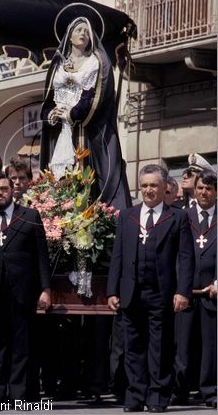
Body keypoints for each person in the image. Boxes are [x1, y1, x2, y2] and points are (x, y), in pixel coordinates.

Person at [106, 164, 194, 413]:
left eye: (153, 185)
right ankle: (135, 396)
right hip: (132, 292)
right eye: (144, 185)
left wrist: (183, 292)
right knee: (133, 347)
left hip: (162, 293)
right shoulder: (127, 216)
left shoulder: (177, 217)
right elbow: (118, 257)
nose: (148, 190)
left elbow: (186, 257)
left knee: (160, 348)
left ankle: (157, 397)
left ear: (165, 187)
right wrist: (113, 291)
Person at [0, 173, 51, 405]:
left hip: (22, 292)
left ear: (11, 189)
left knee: (21, 345)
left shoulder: (30, 216)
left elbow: (41, 256)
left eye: (2, 189)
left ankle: (20, 395)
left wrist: (45, 289)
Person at [40, 16, 131, 209]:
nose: (83, 33)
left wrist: (72, 114)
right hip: (62, 131)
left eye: (87, 31)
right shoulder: (57, 64)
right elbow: (48, 99)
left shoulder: (95, 62)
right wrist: (51, 115)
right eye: (79, 30)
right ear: (69, 37)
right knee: (60, 175)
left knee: (90, 173)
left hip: (88, 130)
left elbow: (95, 95)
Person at [172, 170, 217, 409]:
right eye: (200, 188)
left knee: (211, 346)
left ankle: (209, 392)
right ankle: (179, 391)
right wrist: (181, 287)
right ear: (194, 190)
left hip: (212, 293)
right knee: (183, 345)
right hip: (185, 293)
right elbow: (176, 254)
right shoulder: (183, 216)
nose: (204, 193)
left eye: (209, 189)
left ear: (216, 192)